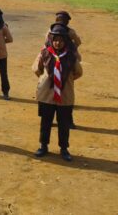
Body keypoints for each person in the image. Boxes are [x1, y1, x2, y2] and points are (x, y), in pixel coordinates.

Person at [33, 23, 83, 161]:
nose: (57, 43)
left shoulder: (71, 56)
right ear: (51, 40)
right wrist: (46, 79)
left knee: (64, 123)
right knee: (46, 122)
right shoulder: (44, 53)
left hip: (65, 95)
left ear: (65, 41)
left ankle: (64, 148)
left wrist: (64, 80)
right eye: (55, 40)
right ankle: (43, 145)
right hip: (46, 96)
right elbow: (36, 68)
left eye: (61, 40)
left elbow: (78, 72)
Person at [49, 10, 82, 128]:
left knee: (52, 93)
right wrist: (71, 47)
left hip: (53, 60)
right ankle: (69, 121)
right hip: (67, 63)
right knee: (67, 95)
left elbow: (46, 44)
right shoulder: (70, 32)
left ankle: (52, 120)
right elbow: (78, 42)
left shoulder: (50, 31)